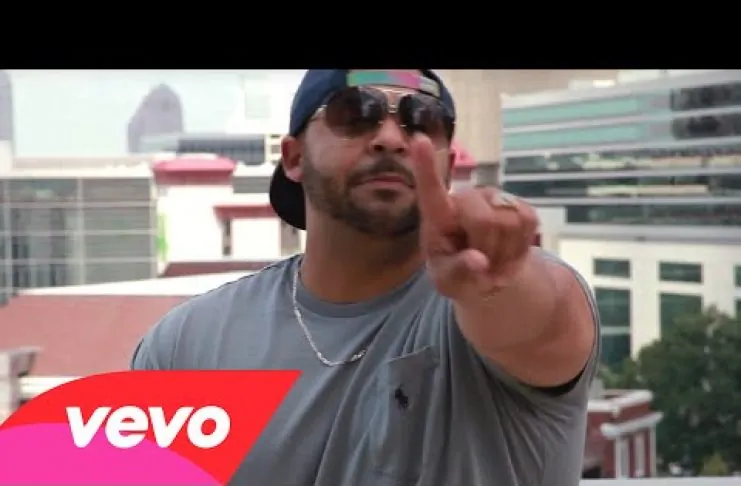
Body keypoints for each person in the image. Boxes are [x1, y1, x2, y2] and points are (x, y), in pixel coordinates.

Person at [131, 69, 600, 486]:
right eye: (355, 113)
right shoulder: (184, 345)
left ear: (447, 163)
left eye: (422, 121)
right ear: (293, 157)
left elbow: (538, 321)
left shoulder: (494, 298)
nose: (391, 138)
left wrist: (500, 282)